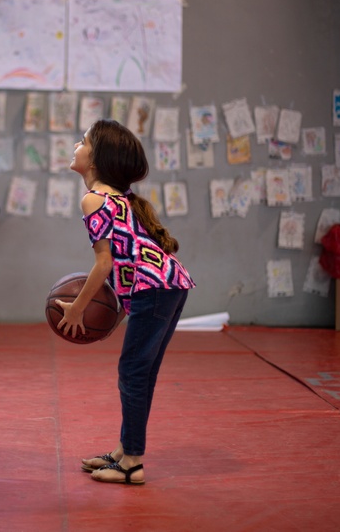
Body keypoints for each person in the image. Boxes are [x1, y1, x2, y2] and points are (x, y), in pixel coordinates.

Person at [57, 119, 194, 485]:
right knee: (141, 373)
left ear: (96, 159)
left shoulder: (93, 199)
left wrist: (77, 307)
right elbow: (125, 264)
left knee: (132, 373)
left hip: (156, 286)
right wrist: (119, 314)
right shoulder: (121, 200)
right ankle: (124, 449)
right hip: (171, 282)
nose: (76, 144)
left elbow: (104, 264)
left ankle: (132, 461)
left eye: (82, 141)